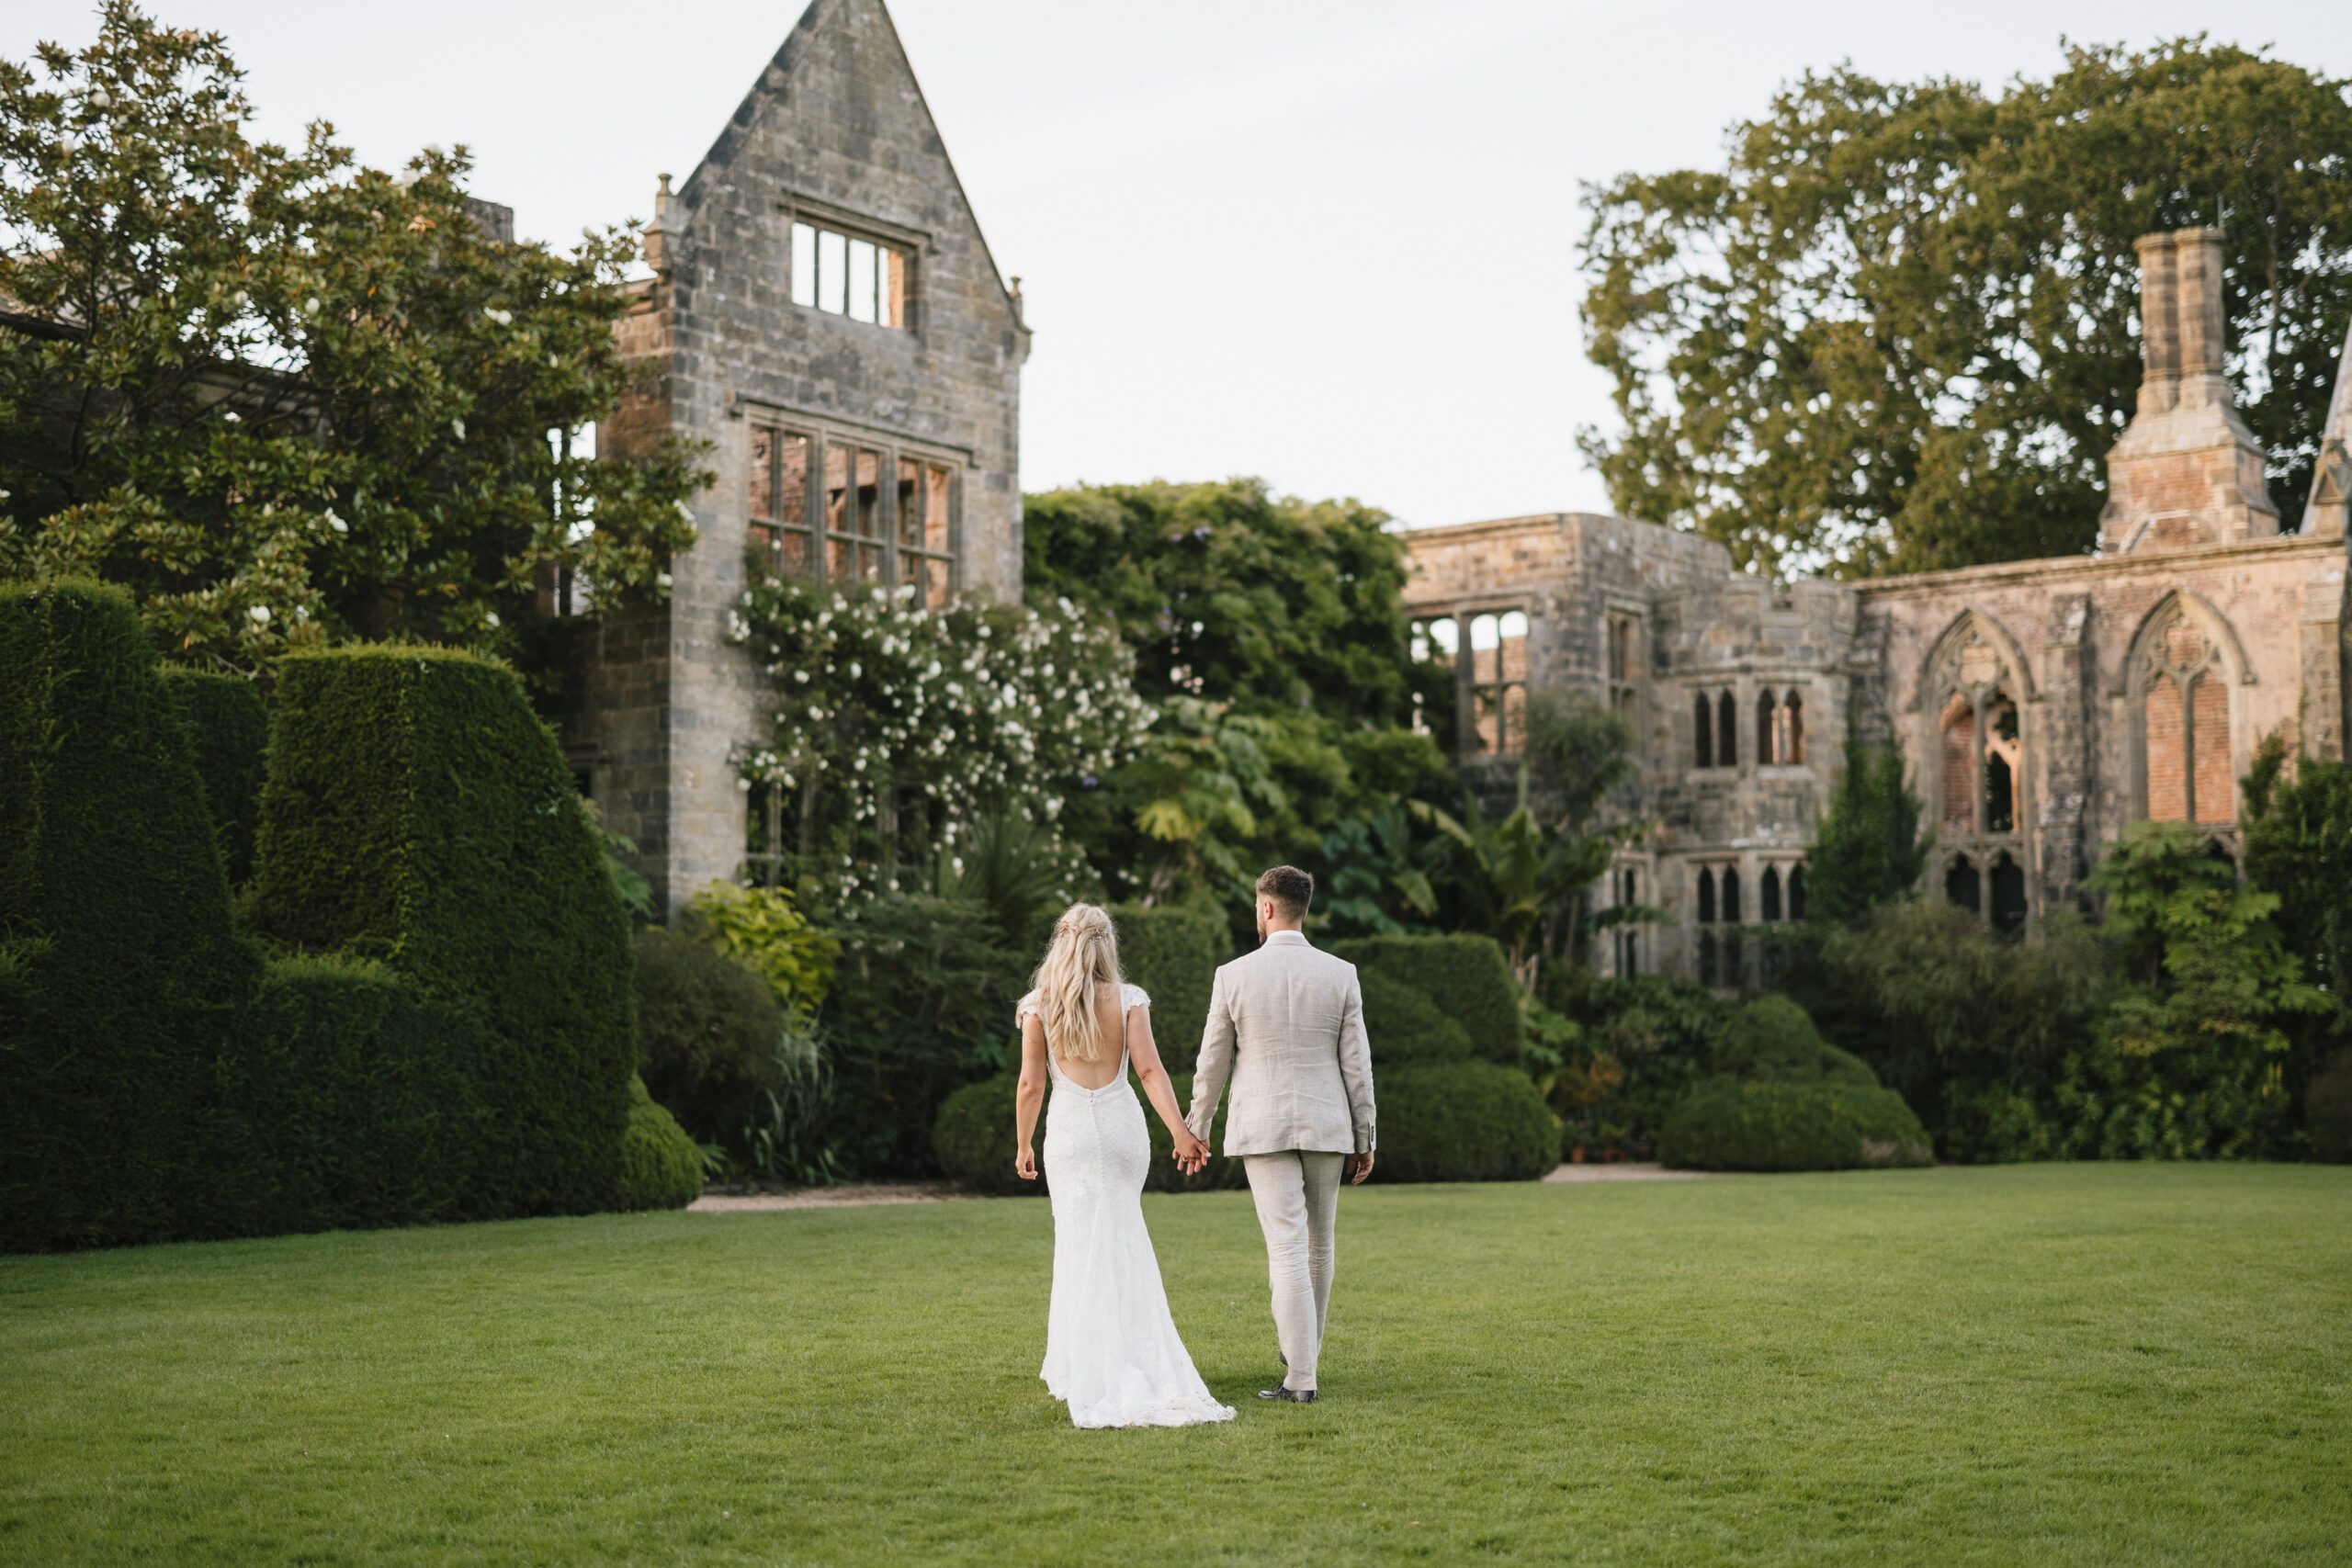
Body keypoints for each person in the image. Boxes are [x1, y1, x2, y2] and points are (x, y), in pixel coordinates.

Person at [1013, 903, 1234, 1428]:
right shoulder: (1129, 1000)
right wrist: (1182, 1132)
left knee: (1077, 1242)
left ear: (1060, 943)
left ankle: (1079, 1363)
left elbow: (1031, 1084)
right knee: (1123, 1234)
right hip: (1120, 1130)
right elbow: (1150, 1069)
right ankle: (1132, 1355)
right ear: (1106, 945)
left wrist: (1023, 1144)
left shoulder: (1038, 1005)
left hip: (1068, 1134)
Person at [1182, 865, 1376, 1404]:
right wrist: (1366, 1136)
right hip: (1326, 1123)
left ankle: (1301, 1376)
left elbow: (1212, 1062)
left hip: (1262, 1126)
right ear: (1303, 908)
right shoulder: (1342, 972)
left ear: (1266, 908)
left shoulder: (1233, 974)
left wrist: (1196, 1126)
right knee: (1320, 1246)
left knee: (1287, 1248)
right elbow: (1357, 1065)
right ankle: (1303, 1362)